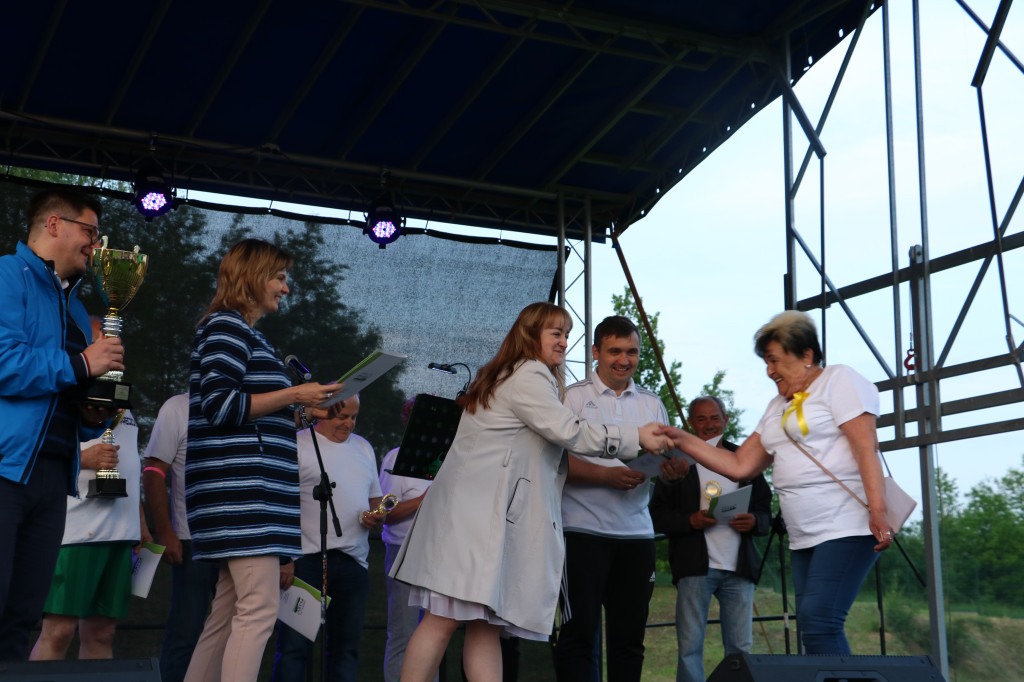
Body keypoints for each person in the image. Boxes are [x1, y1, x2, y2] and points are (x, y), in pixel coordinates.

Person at [390, 302, 671, 682]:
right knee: (442, 620)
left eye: (567, 334)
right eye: (556, 333)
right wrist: (635, 436)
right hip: (473, 520)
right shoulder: (528, 374)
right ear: (530, 334)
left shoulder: (515, 374)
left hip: (482, 521)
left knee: (484, 625)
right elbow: (570, 432)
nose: (564, 341)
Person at [655, 310, 894, 655]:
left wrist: (879, 511)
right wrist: (680, 438)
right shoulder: (776, 406)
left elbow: (864, 447)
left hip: (846, 525)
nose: (769, 371)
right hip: (803, 534)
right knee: (811, 627)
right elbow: (739, 465)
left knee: (820, 621)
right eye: (766, 362)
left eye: (774, 360)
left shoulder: (839, 380)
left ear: (806, 355)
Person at [182, 239, 344, 682]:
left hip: (249, 497)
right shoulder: (225, 327)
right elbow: (220, 405)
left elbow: (254, 415)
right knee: (258, 609)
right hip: (240, 496)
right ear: (252, 278)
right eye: (279, 278)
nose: (286, 288)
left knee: (227, 614)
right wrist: (295, 393)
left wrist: (306, 413)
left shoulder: (245, 333)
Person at [0, 188, 124, 661]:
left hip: (54, 476)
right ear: (54, 224)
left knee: (23, 615)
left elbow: (63, 389)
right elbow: (4, 362)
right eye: (89, 231)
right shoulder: (6, 275)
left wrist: (91, 416)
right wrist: (83, 363)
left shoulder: (74, 304)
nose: (96, 244)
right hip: (7, 469)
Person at [553, 315, 669, 682]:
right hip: (580, 531)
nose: (624, 360)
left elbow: (664, 462)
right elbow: (552, 462)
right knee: (578, 636)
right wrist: (606, 475)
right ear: (595, 352)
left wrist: (672, 471)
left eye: (631, 352)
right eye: (615, 351)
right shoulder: (572, 396)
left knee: (629, 642)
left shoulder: (652, 403)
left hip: (637, 535)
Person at [649, 396, 771, 682]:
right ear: (691, 423)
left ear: (726, 420)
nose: (709, 424)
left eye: (715, 417)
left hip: (739, 569)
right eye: (701, 419)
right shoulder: (677, 461)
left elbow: (766, 512)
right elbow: (657, 516)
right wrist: (690, 521)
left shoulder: (743, 458)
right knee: (690, 647)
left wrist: (754, 521)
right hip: (694, 567)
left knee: (740, 650)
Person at [273, 394, 384, 682]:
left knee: (346, 650)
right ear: (322, 413)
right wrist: (285, 559)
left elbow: (375, 499)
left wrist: (376, 515)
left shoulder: (364, 447)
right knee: (294, 647)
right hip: (305, 561)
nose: (349, 423)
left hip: (354, 563)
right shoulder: (298, 444)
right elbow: (279, 503)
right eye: (342, 416)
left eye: (354, 417)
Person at [30, 404, 150, 661]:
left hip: (121, 531)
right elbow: (27, 451)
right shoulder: (64, 394)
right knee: (59, 631)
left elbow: (130, 467)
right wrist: (84, 458)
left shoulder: (124, 404)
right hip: (74, 530)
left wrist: (140, 523)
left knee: (102, 633)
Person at [142, 393, 220, 682]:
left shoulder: (246, 405)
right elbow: (153, 471)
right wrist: (165, 531)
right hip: (192, 540)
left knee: (233, 633)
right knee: (185, 632)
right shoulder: (177, 407)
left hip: (238, 543)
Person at [378, 397, 437, 682]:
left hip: (438, 555)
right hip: (403, 553)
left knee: (433, 634)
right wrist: (424, 500)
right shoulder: (396, 459)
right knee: (403, 633)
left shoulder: (446, 460)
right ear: (407, 422)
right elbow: (385, 513)